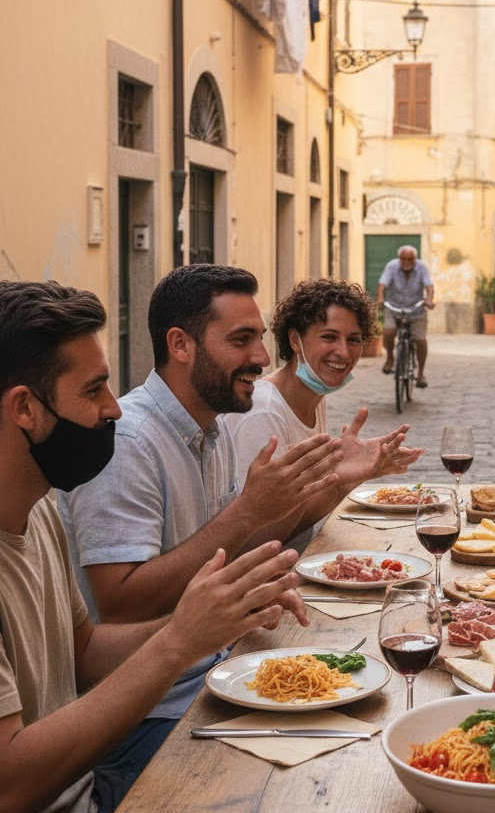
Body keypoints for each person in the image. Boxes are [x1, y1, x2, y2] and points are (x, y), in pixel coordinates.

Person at [0, 280, 308, 813]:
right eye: (94, 390)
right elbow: (10, 789)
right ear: (25, 406)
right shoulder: (135, 443)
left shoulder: (38, 509)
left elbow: (86, 649)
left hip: (88, 789)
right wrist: (179, 638)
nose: (113, 409)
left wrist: (216, 615)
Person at [59, 265, 406, 724]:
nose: (262, 357)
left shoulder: (214, 428)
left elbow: (227, 553)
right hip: (156, 713)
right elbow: (120, 606)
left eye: (260, 339)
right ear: (180, 345)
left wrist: (251, 587)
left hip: (220, 670)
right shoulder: (132, 442)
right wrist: (247, 513)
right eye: (241, 340)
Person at [223, 277, 424, 552]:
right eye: (329, 336)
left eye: (353, 339)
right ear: (295, 340)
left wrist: (350, 476)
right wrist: (339, 479)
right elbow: (257, 540)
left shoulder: (314, 397)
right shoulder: (263, 412)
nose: (343, 351)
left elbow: (301, 517)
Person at [377, 245, 435, 388]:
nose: (407, 262)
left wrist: (429, 300)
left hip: (416, 309)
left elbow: (429, 286)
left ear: (415, 259)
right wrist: (380, 298)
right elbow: (382, 284)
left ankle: (420, 373)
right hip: (394, 307)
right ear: (399, 258)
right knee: (388, 332)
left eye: (410, 259)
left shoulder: (422, 267)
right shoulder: (392, 266)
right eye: (404, 259)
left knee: (420, 340)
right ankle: (390, 358)